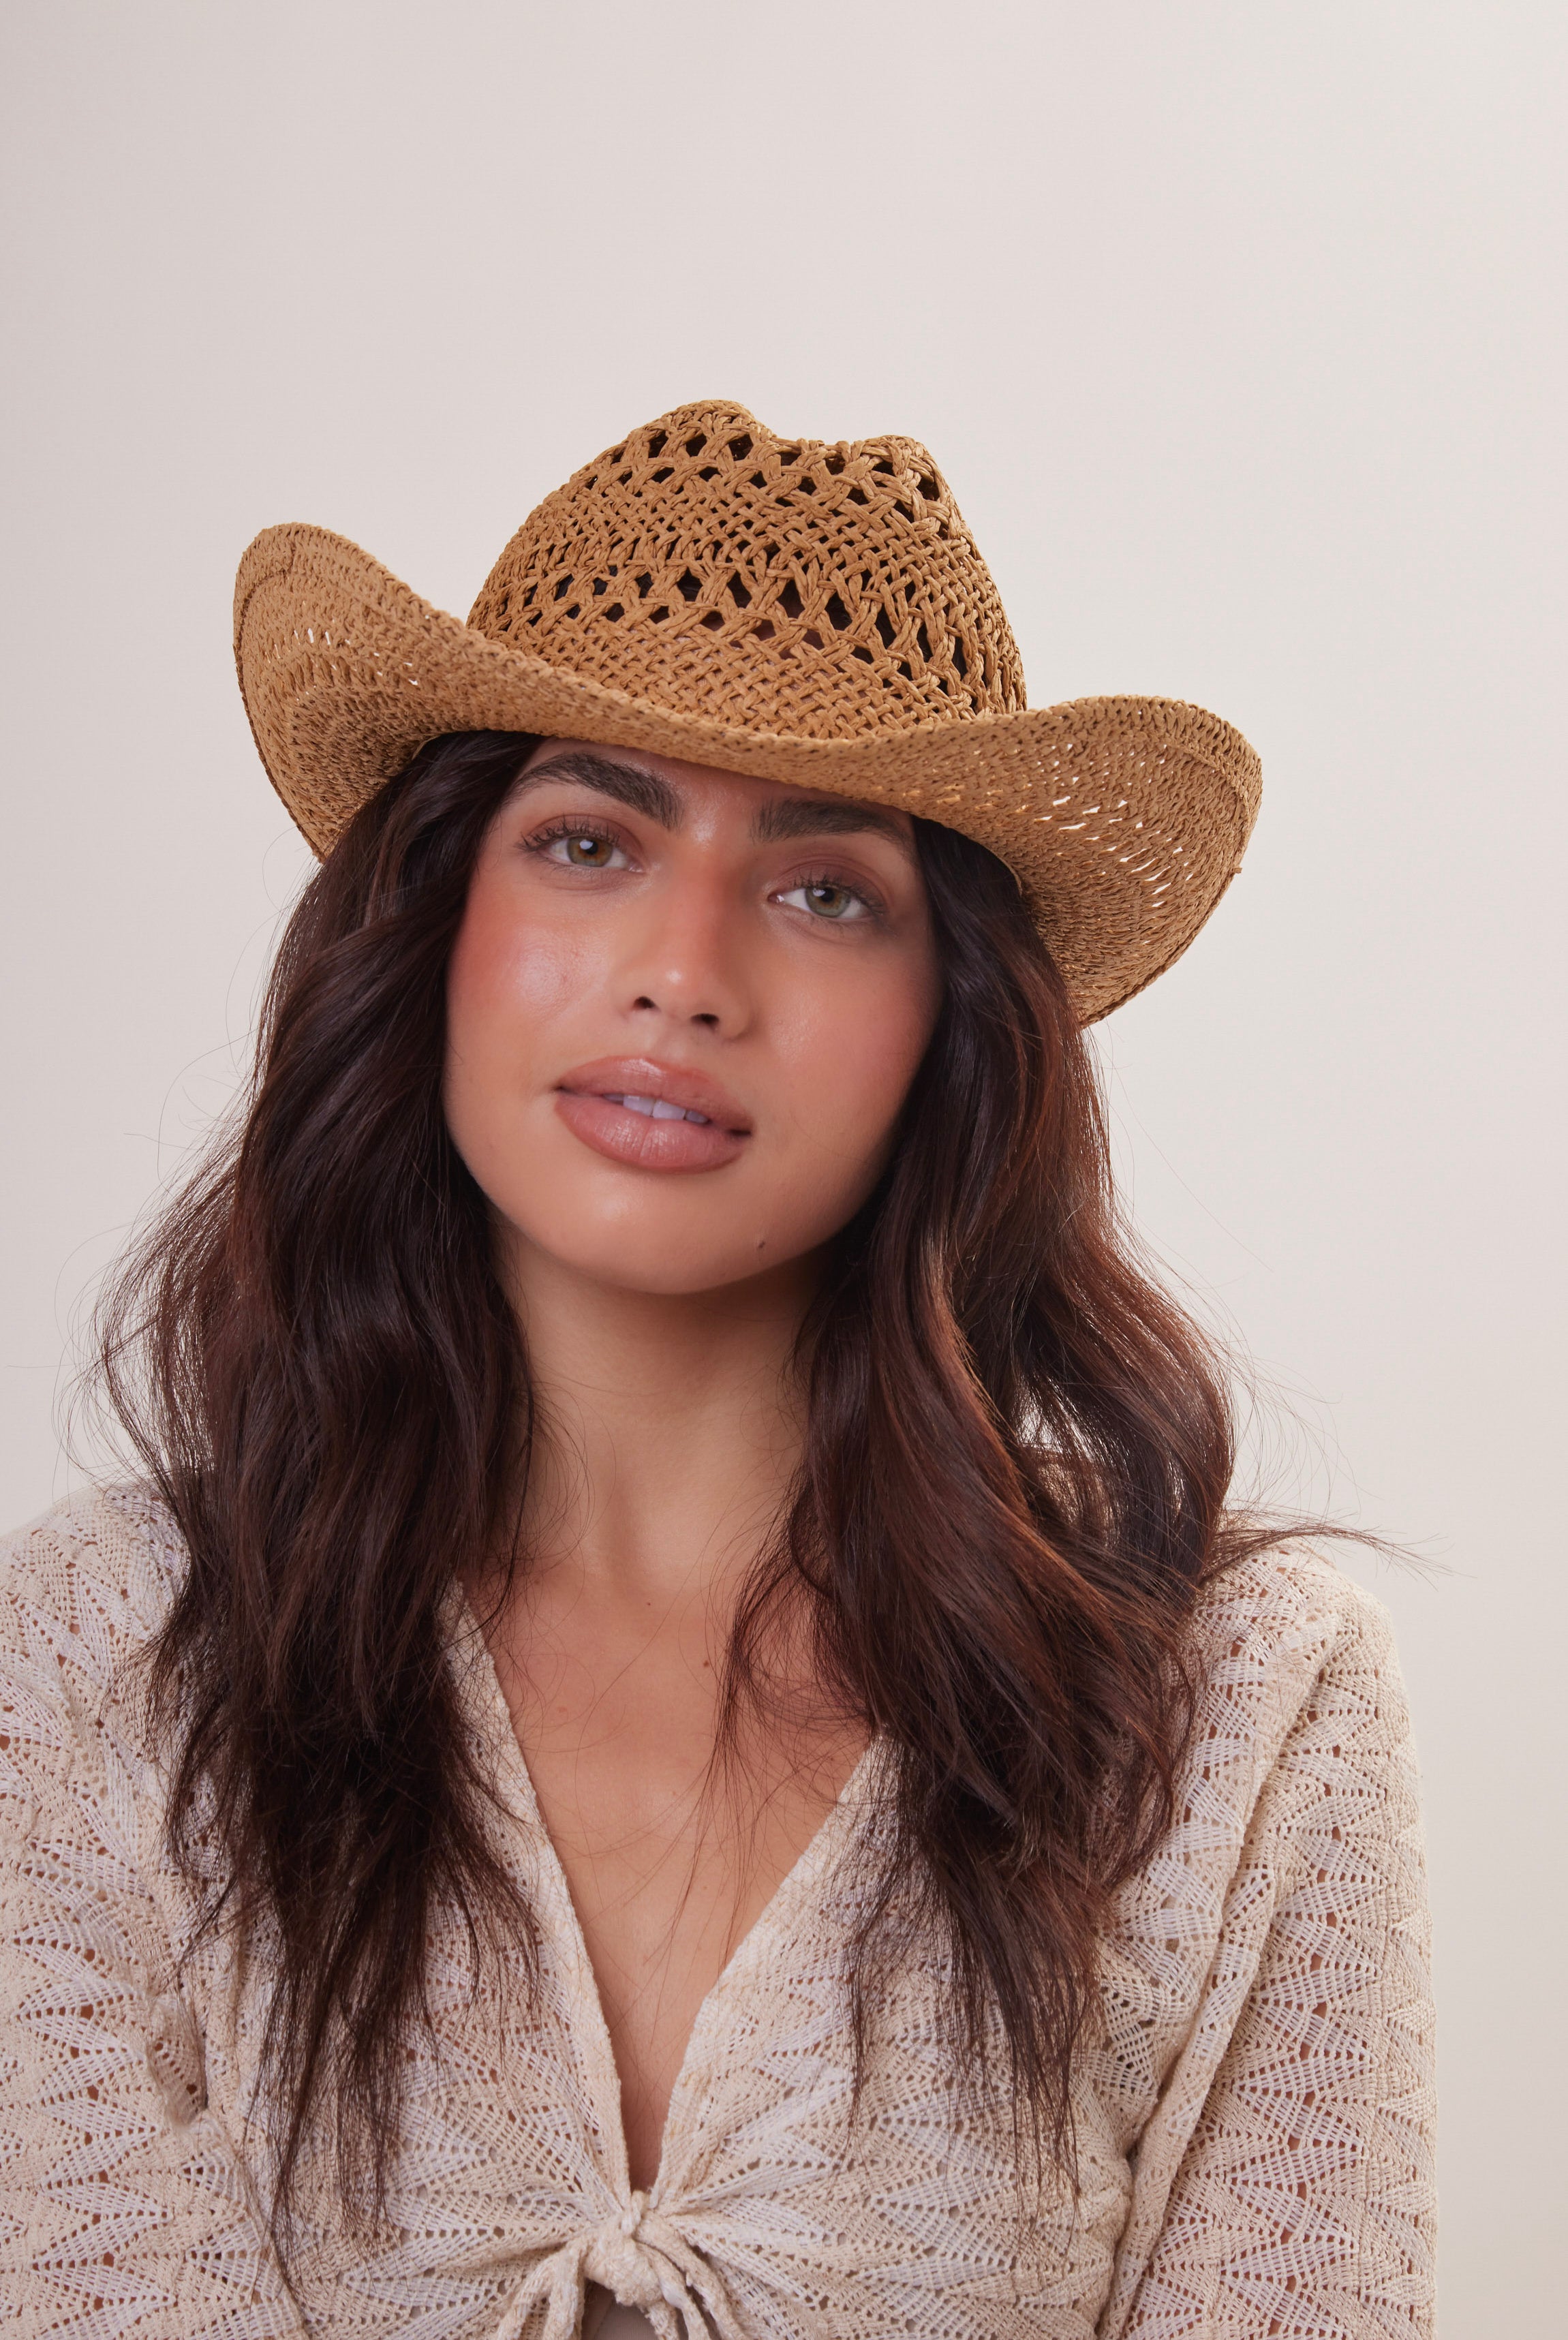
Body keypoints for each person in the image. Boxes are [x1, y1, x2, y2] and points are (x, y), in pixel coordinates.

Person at [0, 403, 1435, 2337]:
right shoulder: (98, 1673)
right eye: (588, 841)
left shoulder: (1234, 1716)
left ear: (953, 1022)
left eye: (826, 887)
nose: (684, 969)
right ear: (433, 928)